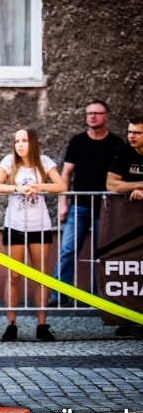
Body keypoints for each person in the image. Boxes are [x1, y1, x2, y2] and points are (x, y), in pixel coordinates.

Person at [0, 127, 66, 342]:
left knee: (40, 275)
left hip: (39, 225)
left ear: (33, 142)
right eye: (17, 141)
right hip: (15, 225)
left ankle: (42, 324)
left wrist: (40, 186)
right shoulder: (9, 162)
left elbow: (61, 185)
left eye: (24, 140)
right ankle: (11, 324)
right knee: (14, 276)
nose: (20, 145)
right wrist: (17, 189)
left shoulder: (44, 162)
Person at [48, 100, 124, 307]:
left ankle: (99, 294)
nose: (92, 116)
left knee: (103, 252)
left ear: (107, 116)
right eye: (89, 113)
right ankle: (60, 294)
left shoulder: (116, 144)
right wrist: (63, 203)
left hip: (107, 208)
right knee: (68, 249)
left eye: (97, 113)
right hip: (79, 206)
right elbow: (66, 174)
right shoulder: (78, 141)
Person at [106, 115, 143, 337]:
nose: (131, 136)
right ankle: (126, 318)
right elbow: (111, 184)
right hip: (127, 218)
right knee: (127, 266)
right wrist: (139, 185)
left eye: (137, 132)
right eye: (129, 131)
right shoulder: (124, 151)